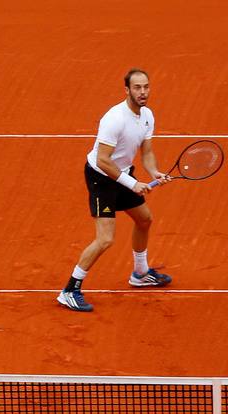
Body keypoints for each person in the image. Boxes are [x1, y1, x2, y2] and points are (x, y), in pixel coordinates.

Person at [58, 69, 173, 313]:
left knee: (144, 219)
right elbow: (102, 160)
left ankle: (140, 274)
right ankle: (69, 289)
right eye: (137, 88)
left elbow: (147, 151)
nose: (143, 92)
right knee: (105, 239)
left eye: (146, 87)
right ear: (127, 90)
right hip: (102, 178)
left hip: (121, 174)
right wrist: (133, 184)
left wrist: (153, 172)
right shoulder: (114, 118)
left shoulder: (147, 116)